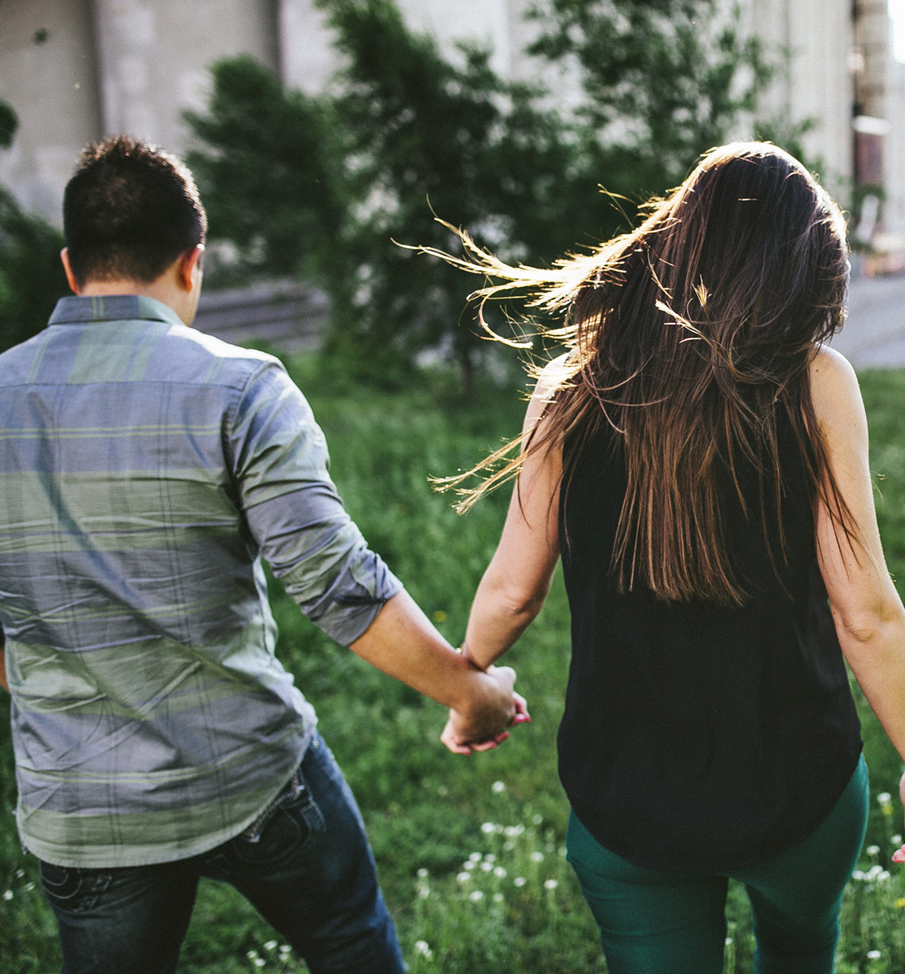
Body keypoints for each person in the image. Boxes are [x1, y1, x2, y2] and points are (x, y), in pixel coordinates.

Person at [0, 136, 525, 974]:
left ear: (71, 268)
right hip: (250, 775)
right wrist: (472, 693)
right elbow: (335, 584)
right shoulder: (240, 387)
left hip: (84, 810)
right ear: (193, 263)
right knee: (352, 945)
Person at [443, 141, 905, 973]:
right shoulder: (817, 382)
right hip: (798, 790)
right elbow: (864, 612)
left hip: (628, 805)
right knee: (800, 956)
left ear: (677, 241)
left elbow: (510, 591)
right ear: (804, 273)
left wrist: (468, 688)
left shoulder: (571, 387)